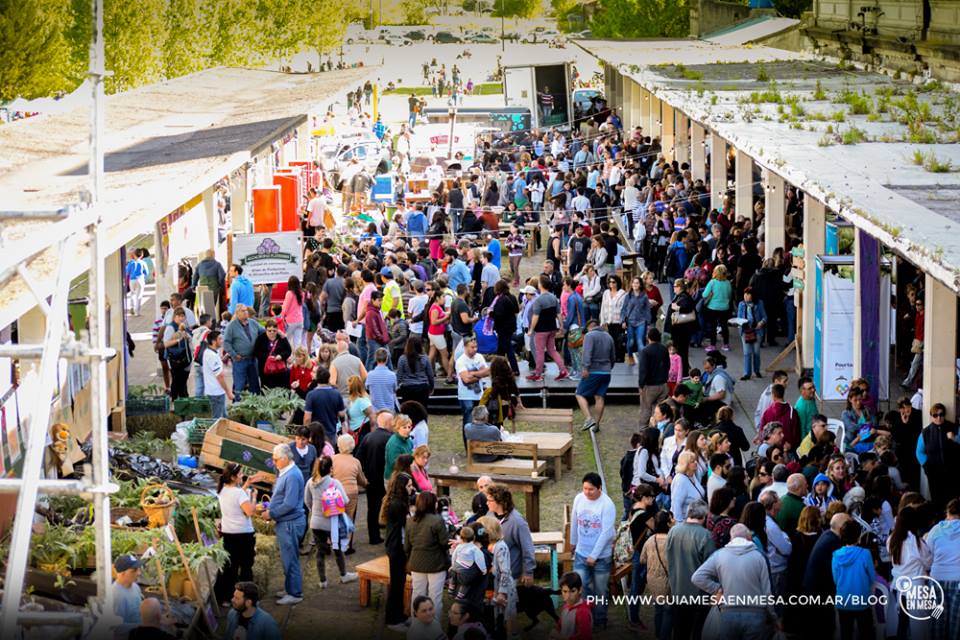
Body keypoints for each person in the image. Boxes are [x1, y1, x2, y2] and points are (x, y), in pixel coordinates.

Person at [691, 523, 777, 640]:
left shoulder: (719, 555)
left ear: (731, 538)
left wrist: (717, 589)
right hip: (756, 614)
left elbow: (697, 577)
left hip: (728, 614)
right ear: (749, 538)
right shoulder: (759, 556)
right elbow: (767, 591)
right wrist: (773, 617)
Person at [570, 472, 616, 630]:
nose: (587, 492)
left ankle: (600, 619)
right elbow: (575, 521)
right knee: (581, 587)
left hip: (601, 558)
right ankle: (585, 618)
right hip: (581, 553)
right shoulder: (579, 499)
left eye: (591, 489)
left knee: (601, 590)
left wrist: (594, 555)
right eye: (585, 488)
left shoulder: (607, 504)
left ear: (599, 488)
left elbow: (607, 533)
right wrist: (573, 542)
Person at [262, 443, 306, 605]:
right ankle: (289, 588)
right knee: (287, 557)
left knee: (290, 559)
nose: (273, 462)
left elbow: (289, 504)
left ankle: (295, 593)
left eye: (275, 459)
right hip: (286, 522)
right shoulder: (286, 471)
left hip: (290, 523)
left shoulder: (292, 475)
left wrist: (271, 513)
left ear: (285, 458)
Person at [304, 455, 358, 587]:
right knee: (338, 549)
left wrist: (315, 511)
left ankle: (323, 581)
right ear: (331, 469)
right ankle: (343, 575)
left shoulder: (311, 482)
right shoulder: (334, 483)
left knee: (320, 552)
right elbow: (345, 500)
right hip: (332, 523)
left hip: (316, 522)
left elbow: (307, 501)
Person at [665, 499, 715, 640]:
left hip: (677, 591)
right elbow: (711, 568)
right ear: (704, 516)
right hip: (699, 595)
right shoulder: (705, 535)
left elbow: (668, 557)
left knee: (680, 632)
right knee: (698, 631)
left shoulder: (673, 531)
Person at [405, 492, 450, 624]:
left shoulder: (410, 521)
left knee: (417, 595)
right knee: (435, 597)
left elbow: (407, 547)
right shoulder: (437, 520)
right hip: (436, 564)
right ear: (432, 503)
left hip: (416, 563)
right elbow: (444, 543)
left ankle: (416, 625)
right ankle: (434, 628)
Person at [832, 520, 876, 640]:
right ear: (858, 535)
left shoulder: (835, 555)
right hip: (862, 600)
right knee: (866, 633)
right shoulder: (865, 554)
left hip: (843, 601)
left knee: (846, 633)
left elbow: (836, 579)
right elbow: (872, 577)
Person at [383, 473, 416, 633]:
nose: (412, 488)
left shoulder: (399, 501)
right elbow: (408, 524)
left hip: (398, 546)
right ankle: (392, 619)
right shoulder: (397, 505)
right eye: (409, 486)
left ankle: (400, 615)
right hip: (396, 548)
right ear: (402, 487)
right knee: (396, 585)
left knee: (400, 583)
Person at [485, 484, 536, 586]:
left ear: (500, 502)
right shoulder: (489, 515)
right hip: (493, 572)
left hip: (511, 575)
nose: (487, 503)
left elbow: (527, 548)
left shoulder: (517, 521)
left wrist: (528, 572)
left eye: (490, 501)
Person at [925, 498, 960, 640]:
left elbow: (928, 554)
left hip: (936, 580)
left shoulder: (936, 529)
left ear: (948, 512)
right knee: (956, 623)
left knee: (936, 620)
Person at [527, 275, 569, 382]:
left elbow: (535, 316)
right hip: (552, 328)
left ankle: (538, 374)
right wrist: (561, 326)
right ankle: (563, 370)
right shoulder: (553, 297)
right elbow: (558, 313)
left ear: (541, 285)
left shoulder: (538, 300)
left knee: (539, 351)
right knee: (552, 350)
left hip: (541, 330)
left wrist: (531, 329)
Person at [917, 403, 960, 508]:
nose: (939, 418)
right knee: (937, 500)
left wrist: (955, 438)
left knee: (953, 501)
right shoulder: (925, 432)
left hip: (952, 472)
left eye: (941, 414)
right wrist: (927, 467)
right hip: (934, 473)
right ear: (931, 416)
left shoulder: (954, 427)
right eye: (935, 415)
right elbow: (919, 452)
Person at [576, 320, 615, 433]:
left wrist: (585, 367)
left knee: (579, 394)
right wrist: (609, 367)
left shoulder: (589, 335)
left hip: (593, 370)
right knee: (599, 397)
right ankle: (596, 424)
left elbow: (587, 352)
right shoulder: (609, 337)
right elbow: (613, 356)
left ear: (590, 327)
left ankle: (588, 418)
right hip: (606, 372)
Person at [332, 434, 367, 554]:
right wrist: (366, 483)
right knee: (349, 517)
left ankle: (333, 542)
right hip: (351, 492)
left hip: (336, 492)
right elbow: (361, 479)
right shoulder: (356, 461)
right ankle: (346, 546)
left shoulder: (333, 459)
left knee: (334, 517)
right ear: (353, 446)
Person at [636, 327, 670, 430]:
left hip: (650, 386)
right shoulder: (664, 349)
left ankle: (643, 429)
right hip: (663, 385)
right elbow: (668, 365)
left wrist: (641, 385)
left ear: (648, 337)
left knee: (646, 408)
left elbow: (643, 370)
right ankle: (658, 428)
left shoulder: (645, 351)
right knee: (660, 409)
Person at [303, 367, 346, 445]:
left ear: (317, 378)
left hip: (315, 435)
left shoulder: (311, 395)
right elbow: (342, 414)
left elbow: (307, 418)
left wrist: (306, 433)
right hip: (331, 434)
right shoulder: (336, 394)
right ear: (328, 379)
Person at [455, 337, 490, 429]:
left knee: (481, 421)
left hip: (479, 394)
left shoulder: (479, 357)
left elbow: (487, 372)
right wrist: (480, 374)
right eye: (472, 347)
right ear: (465, 347)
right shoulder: (460, 361)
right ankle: (467, 442)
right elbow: (466, 380)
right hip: (466, 396)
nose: (475, 349)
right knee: (468, 422)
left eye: (476, 347)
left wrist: (473, 373)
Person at [550, 572, 593, 640]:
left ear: (580, 590)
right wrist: (556, 631)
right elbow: (560, 625)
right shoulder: (565, 607)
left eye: (572, 591)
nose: (568, 596)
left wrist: (561, 638)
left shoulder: (583, 612)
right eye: (565, 591)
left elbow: (585, 637)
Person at [162, 308, 192, 400]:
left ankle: (183, 401)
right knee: (177, 382)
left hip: (185, 359)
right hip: (175, 359)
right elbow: (166, 344)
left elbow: (190, 338)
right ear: (175, 316)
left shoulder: (184, 326)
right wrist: (179, 338)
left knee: (183, 382)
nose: (182, 318)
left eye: (183, 316)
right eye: (180, 316)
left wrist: (187, 336)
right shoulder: (171, 327)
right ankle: (176, 401)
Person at [736, 286, 767, 379]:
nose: (746, 296)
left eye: (748, 294)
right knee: (747, 352)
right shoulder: (741, 304)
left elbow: (765, 317)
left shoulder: (759, 303)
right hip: (746, 331)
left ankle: (757, 370)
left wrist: (761, 323)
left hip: (757, 330)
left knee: (756, 352)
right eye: (745, 294)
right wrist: (739, 323)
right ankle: (747, 373)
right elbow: (739, 318)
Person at [201, 330, 233, 418]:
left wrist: (223, 358)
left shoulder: (210, 352)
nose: (222, 340)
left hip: (216, 392)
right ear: (214, 341)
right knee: (217, 419)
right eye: (220, 339)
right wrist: (228, 392)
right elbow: (220, 376)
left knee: (224, 417)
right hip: (216, 393)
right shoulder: (211, 355)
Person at [397, 335, 434, 409]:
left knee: (408, 411)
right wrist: (431, 387)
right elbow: (430, 375)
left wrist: (396, 387)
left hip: (407, 388)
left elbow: (399, 376)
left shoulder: (402, 358)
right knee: (422, 411)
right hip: (422, 387)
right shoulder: (425, 358)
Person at [253, 319, 292, 390]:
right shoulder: (261, 338)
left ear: (277, 330)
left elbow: (288, 350)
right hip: (265, 370)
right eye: (269, 330)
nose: (272, 332)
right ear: (266, 330)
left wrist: (281, 356)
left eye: (274, 330)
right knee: (267, 389)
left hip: (279, 370)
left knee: (281, 388)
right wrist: (268, 357)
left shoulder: (281, 338)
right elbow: (256, 351)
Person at [671, 451, 706, 525]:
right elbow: (676, 505)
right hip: (686, 523)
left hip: (697, 520)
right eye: (692, 461)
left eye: (695, 460)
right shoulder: (680, 480)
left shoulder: (692, 475)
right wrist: (679, 525)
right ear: (686, 465)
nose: (696, 462)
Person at [113, 554, 144, 625]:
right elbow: (117, 628)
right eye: (134, 570)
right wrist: (146, 626)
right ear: (122, 573)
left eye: (138, 569)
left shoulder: (135, 586)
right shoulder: (116, 595)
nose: (139, 573)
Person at [366, 348, 398, 413]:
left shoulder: (370, 375)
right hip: (390, 410)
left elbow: (367, 388)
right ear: (387, 359)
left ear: (375, 358)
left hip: (375, 411)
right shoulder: (392, 375)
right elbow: (395, 389)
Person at [794, 377, 819, 442]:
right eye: (810, 388)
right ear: (802, 391)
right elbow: (801, 429)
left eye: (813, 387)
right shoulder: (801, 407)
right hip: (809, 441)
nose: (813, 390)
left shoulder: (811, 398)